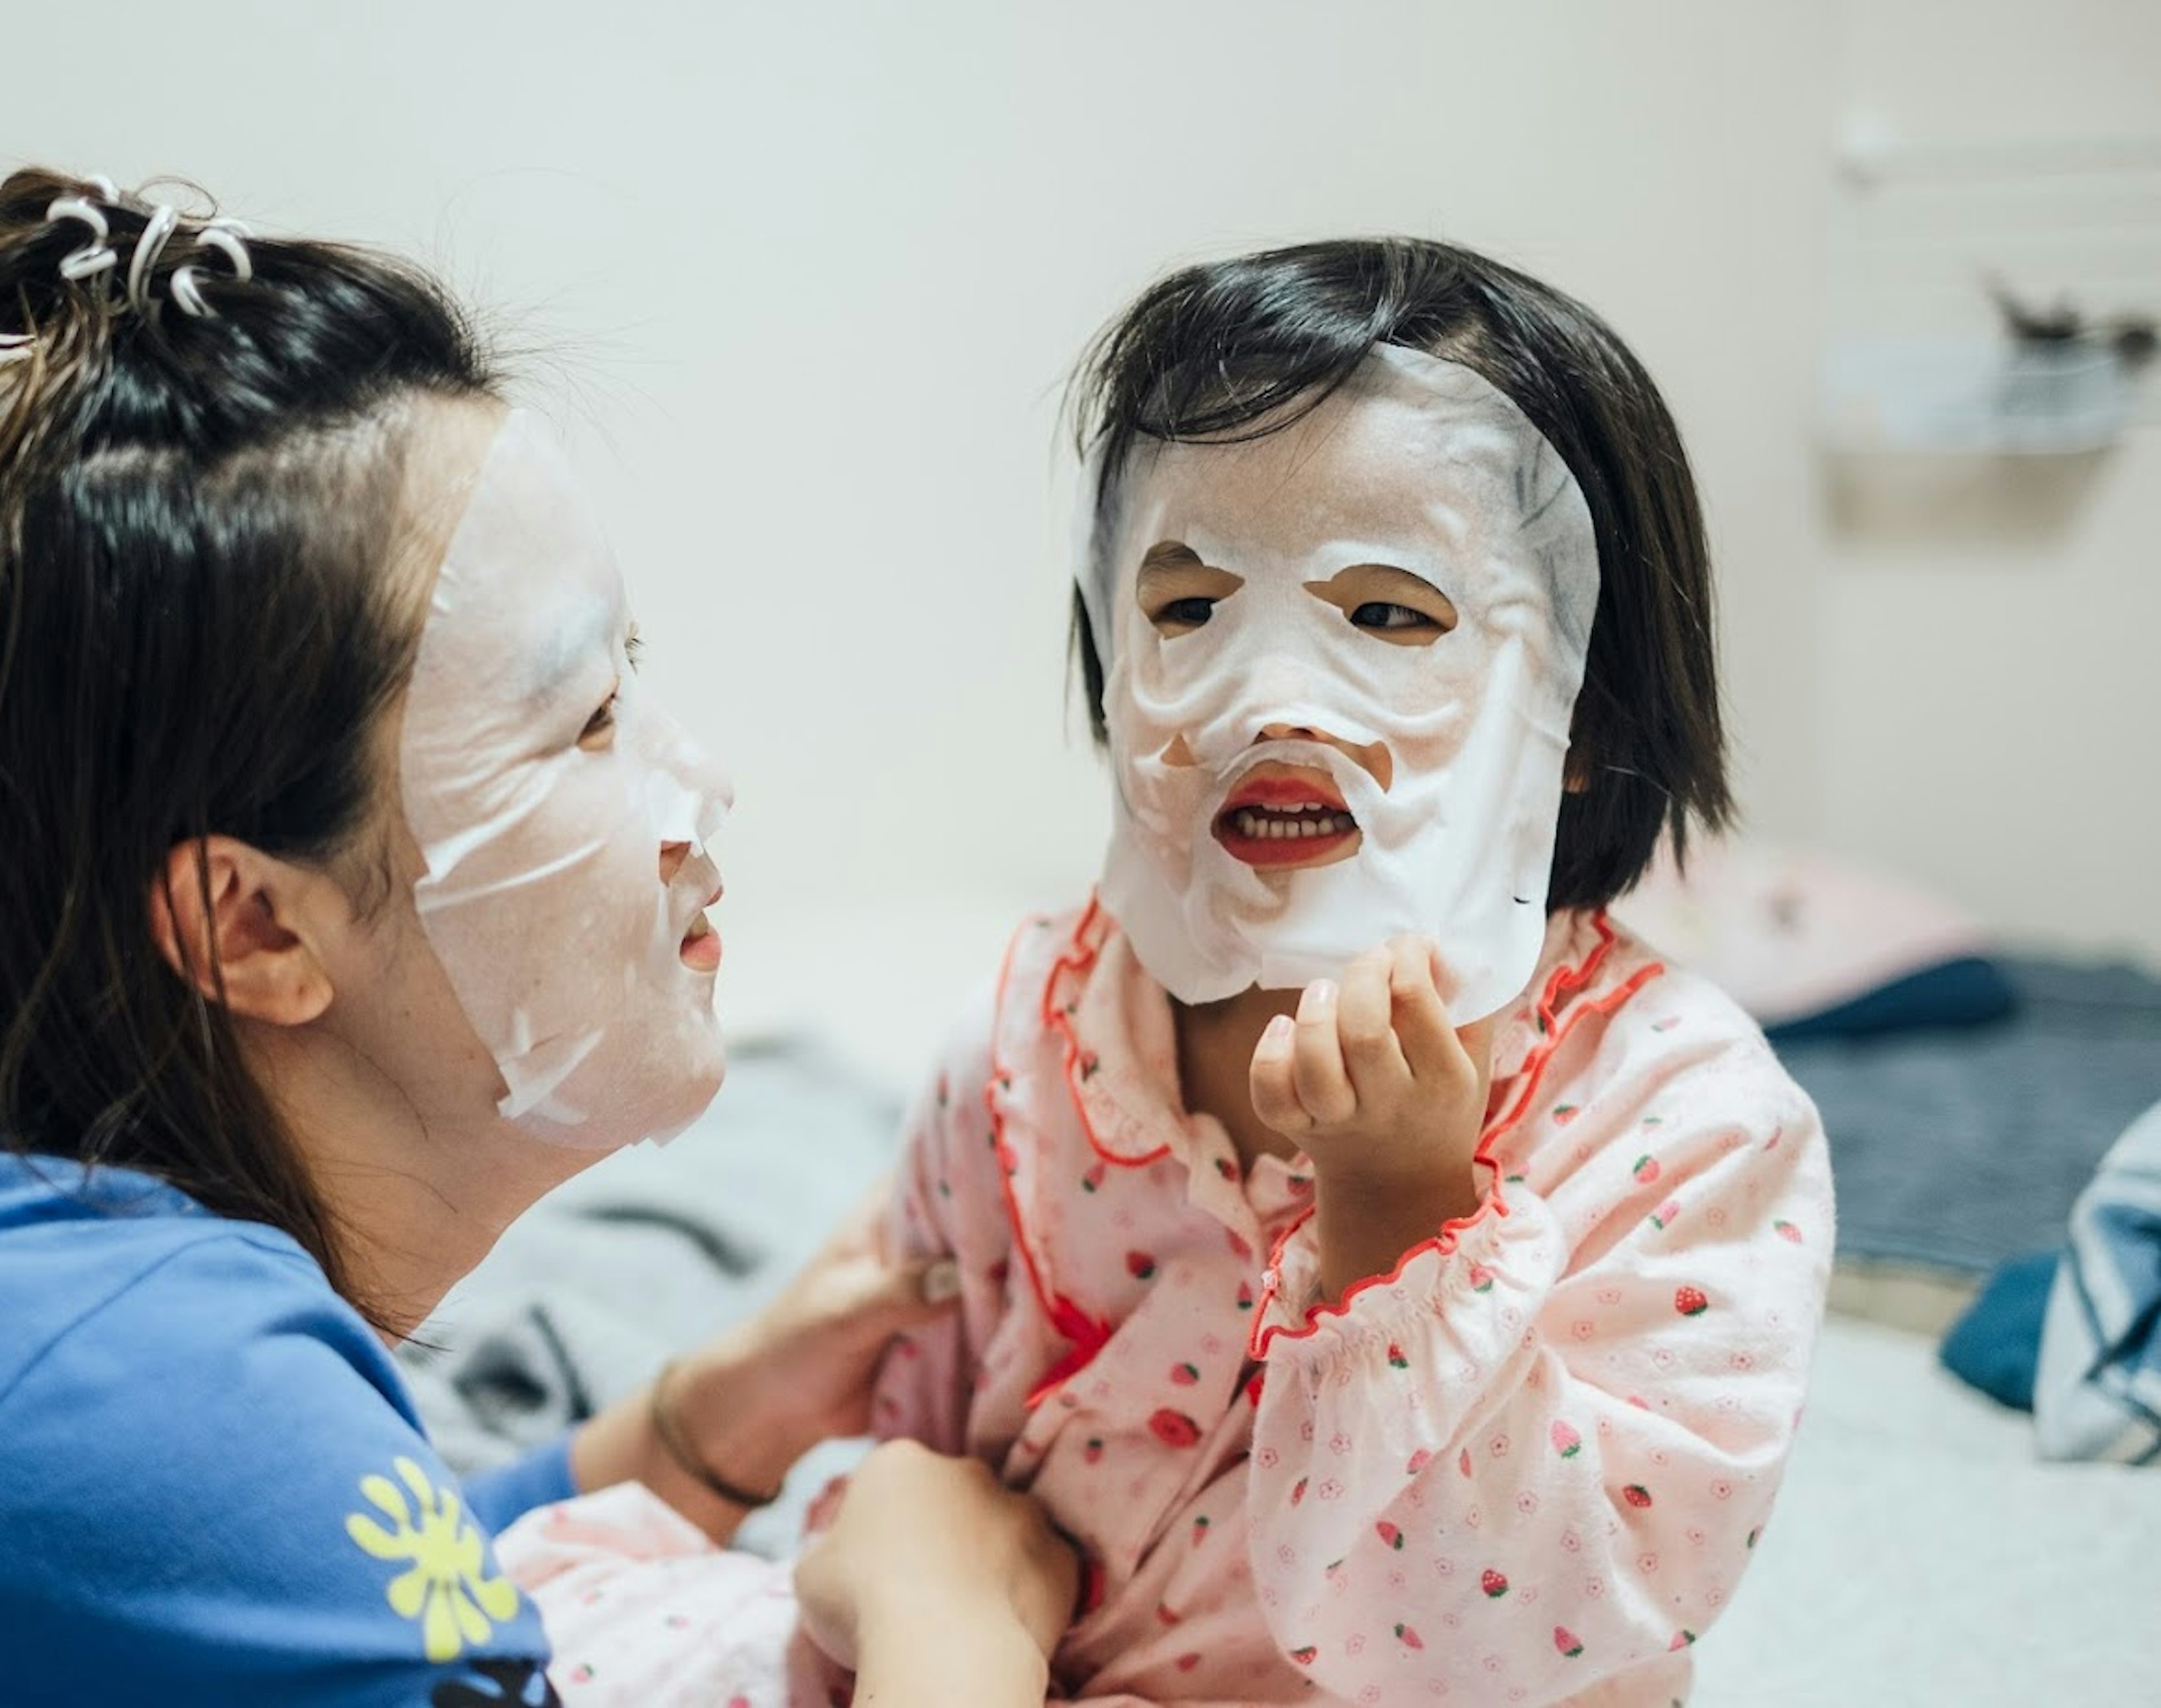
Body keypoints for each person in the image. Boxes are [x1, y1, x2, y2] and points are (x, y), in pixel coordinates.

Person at [0, 168, 1077, 1707]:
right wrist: (951, 1616)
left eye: (634, 673)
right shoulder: (166, 1396)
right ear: (253, 925)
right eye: (584, 721)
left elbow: (303, 1597)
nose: (699, 785)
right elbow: (246, 1519)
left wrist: (702, 1429)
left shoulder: (17, 1289)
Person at [492, 238, 1834, 1707]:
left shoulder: (1685, 1118)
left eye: (1387, 615)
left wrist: (1403, 1223)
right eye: (1189, 609)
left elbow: (1548, 1635)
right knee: (558, 1627)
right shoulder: (1044, 1024)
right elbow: (929, 1459)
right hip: (1004, 1650)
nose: (1269, 699)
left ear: (1583, 712)